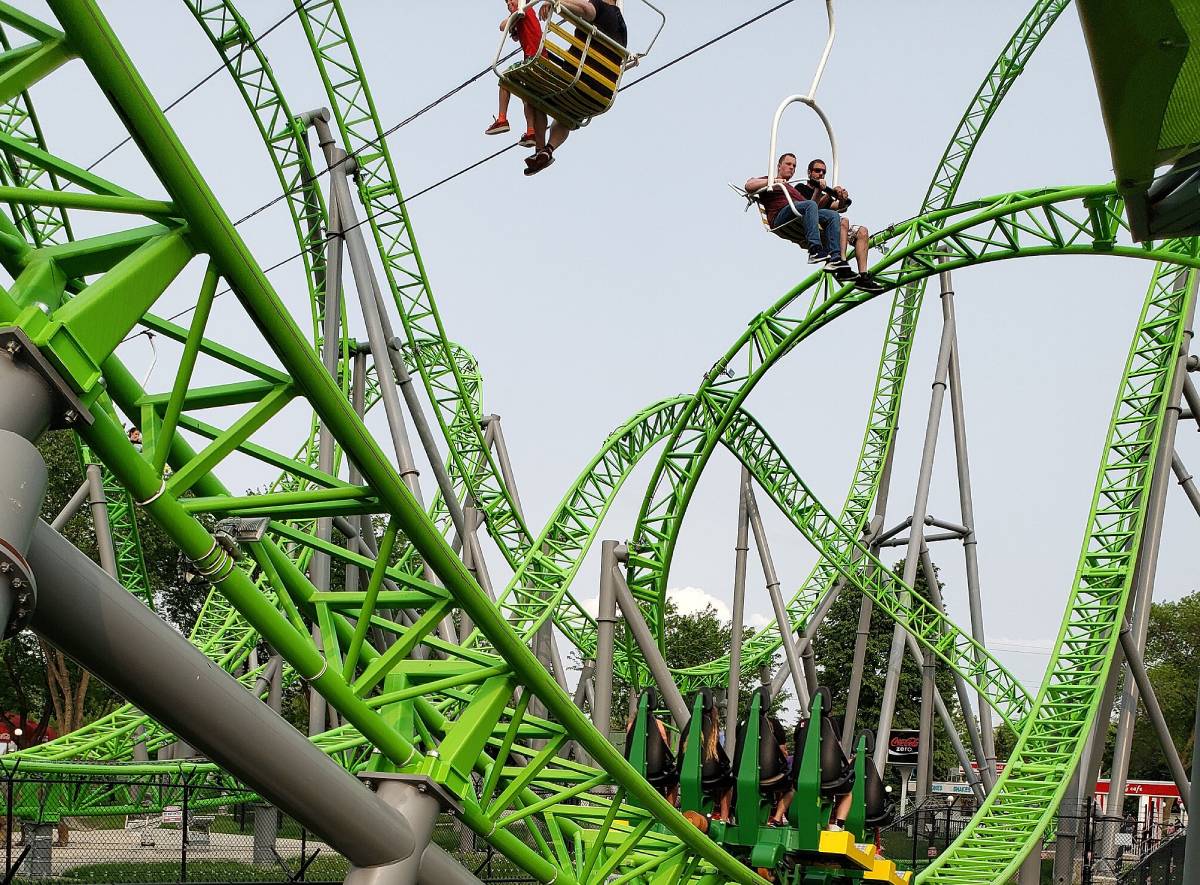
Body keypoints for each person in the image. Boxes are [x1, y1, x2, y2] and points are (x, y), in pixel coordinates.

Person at [524, 0, 627, 175]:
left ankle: (539, 148)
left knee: (530, 87)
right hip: (599, 95)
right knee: (566, 116)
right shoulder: (621, 26)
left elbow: (585, 9)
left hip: (578, 82)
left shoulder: (602, 8)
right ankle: (548, 151)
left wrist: (556, 3)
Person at [795, 159, 886, 293]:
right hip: (818, 226)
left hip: (833, 227)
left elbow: (839, 207)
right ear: (809, 172)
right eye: (817, 171)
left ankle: (863, 276)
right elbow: (812, 208)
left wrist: (841, 197)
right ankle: (841, 262)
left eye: (823, 172)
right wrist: (822, 192)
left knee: (862, 232)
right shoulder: (801, 188)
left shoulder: (825, 194)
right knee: (842, 220)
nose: (821, 174)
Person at [486, 0, 541, 147]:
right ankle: (531, 132)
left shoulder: (524, 9)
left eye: (511, 0)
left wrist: (511, 21)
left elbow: (502, 26)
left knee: (505, 79)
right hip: (541, 62)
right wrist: (514, 28)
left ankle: (502, 119)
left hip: (532, 61)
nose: (508, 3)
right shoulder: (524, 14)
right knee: (526, 95)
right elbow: (516, 36)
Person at [680, 701, 733, 821]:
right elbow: (721, 758)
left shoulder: (689, 728)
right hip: (709, 778)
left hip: (687, 776)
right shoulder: (711, 730)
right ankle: (724, 819)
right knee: (728, 782)